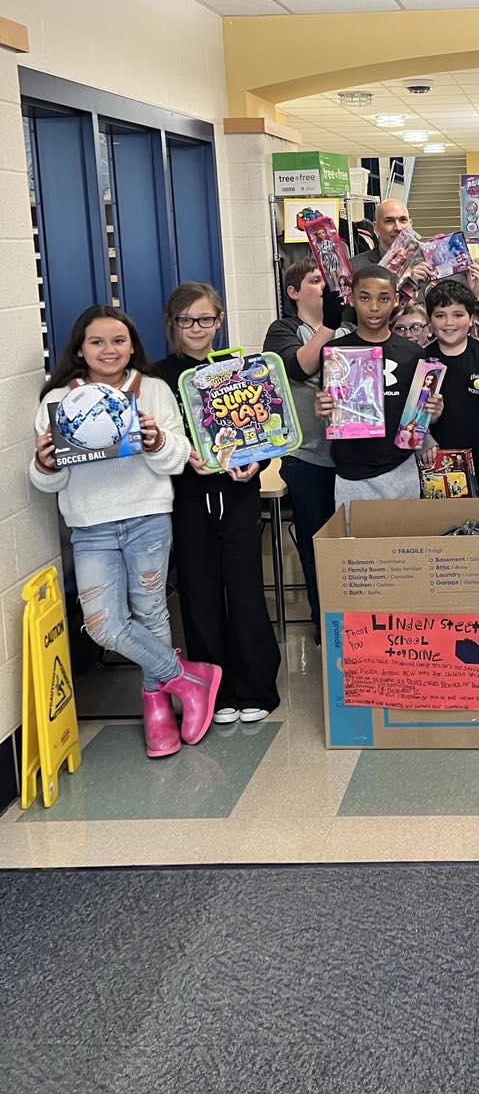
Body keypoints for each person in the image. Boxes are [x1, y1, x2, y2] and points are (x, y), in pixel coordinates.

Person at [30, 305, 219, 759]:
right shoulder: (58, 402)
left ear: (132, 344)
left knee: (152, 613)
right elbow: (45, 482)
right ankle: (190, 680)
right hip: (89, 525)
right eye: (97, 342)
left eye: (118, 340)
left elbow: (177, 460)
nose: (109, 350)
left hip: (147, 517)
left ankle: (157, 705)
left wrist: (158, 442)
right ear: (79, 349)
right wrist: (44, 462)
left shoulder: (151, 390)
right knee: (103, 626)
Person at [158, 283, 280, 725]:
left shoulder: (239, 369)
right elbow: (154, 441)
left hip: (239, 494)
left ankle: (256, 686)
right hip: (187, 498)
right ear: (173, 323)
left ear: (220, 321)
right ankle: (214, 687)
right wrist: (182, 458)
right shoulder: (156, 378)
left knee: (246, 588)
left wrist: (256, 464)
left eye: (205, 319)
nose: (196, 328)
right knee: (200, 591)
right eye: (187, 320)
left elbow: (266, 427)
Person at [263, 257, 352, 644]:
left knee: (352, 544)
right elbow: (297, 368)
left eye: (328, 280)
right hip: (308, 458)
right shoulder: (283, 330)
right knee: (317, 546)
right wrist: (328, 327)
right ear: (294, 292)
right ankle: (326, 624)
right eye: (316, 280)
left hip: (354, 458)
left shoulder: (350, 328)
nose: (324, 286)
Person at [315, 265, 443, 504]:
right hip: (350, 474)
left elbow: (421, 417)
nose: (374, 307)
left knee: (404, 541)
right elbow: (330, 412)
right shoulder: (336, 352)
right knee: (355, 541)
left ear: (396, 299)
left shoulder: (413, 354)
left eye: (383, 298)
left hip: (400, 469)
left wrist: (433, 412)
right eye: (365, 298)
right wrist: (323, 408)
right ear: (351, 299)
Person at [424, 279, 479, 496]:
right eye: (440, 315)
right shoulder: (420, 361)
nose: (449, 323)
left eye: (458, 314)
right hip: (437, 469)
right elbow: (408, 419)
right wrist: (426, 429)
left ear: (470, 319)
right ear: (430, 321)